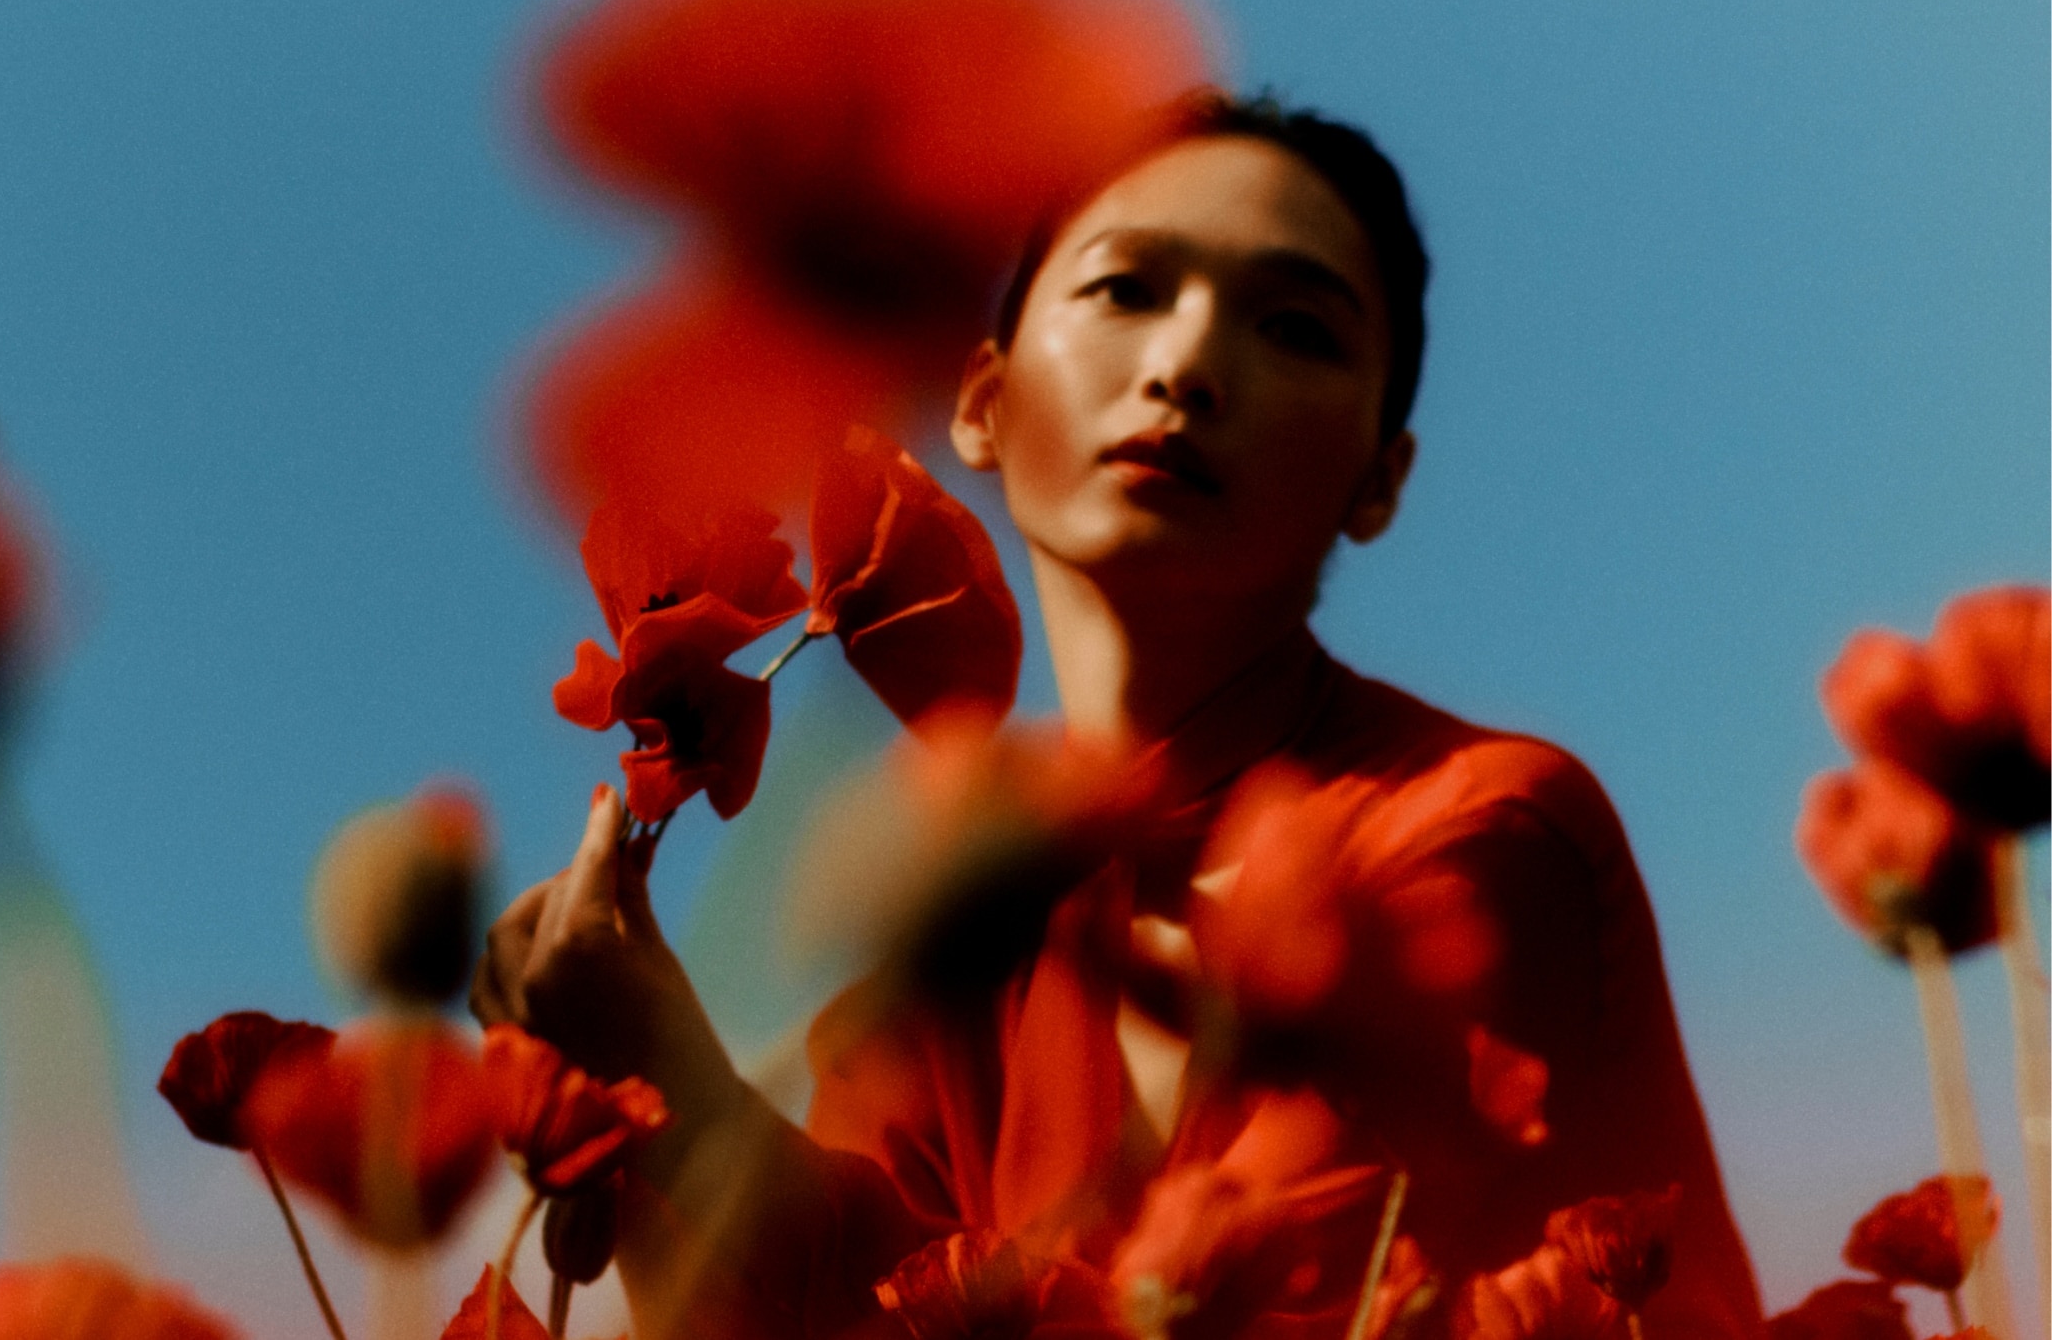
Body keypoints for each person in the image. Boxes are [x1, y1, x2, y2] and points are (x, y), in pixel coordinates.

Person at [472, 94, 1762, 1338]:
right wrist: (623, 1089)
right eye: (1126, 289)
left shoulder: (1481, 834)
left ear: (1380, 478)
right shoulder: (948, 961)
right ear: (979, 402)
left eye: (1298, 328)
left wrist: (689, 1102)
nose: (1189, 363)